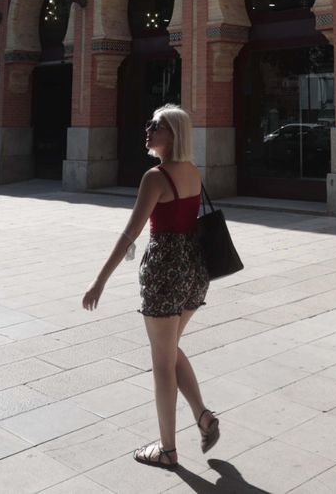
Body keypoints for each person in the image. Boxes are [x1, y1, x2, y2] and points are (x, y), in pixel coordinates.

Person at [82, 104, 218, 470]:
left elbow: (131, 232)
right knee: (170, 348)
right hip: (194, 269)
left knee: (161, 362)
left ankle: (168, 449)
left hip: (165, 272)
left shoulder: (155, 177)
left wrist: (99, 280)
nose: (148, 130)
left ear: (173, 134)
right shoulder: (191, 171)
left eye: (155, 125)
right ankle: (203, 416)